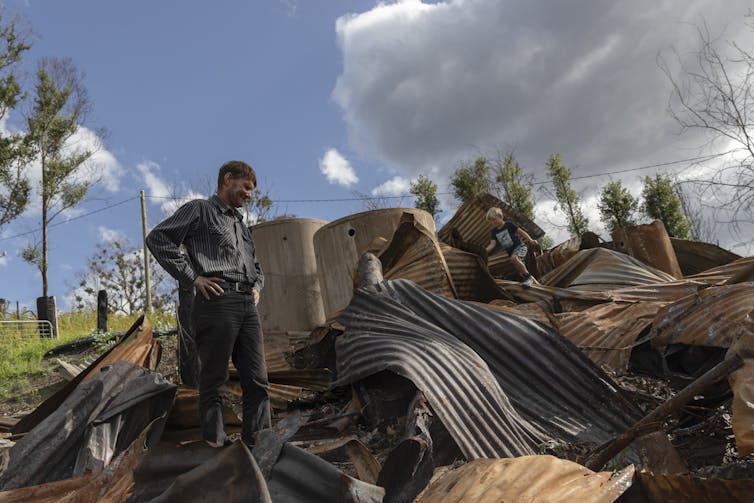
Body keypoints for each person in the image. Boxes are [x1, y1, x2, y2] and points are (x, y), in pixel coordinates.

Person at [146, 160, 270, 448]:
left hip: (246, 303)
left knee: (257, 378)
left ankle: (259, 443)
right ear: (228, 179)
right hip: (216, 299)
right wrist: (193, 278)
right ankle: (214, 444)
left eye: (252, 190)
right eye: (246, 187)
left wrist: (257, 286)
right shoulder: (200, 209)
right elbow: (158, 239)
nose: (249, 194)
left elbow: (256, 264)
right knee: (214, 378)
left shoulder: (240, 224)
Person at [485, 206, 539, 286]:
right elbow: (492, 244)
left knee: (514, 258)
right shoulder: (494, 232)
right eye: (491, 221)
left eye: (494, 220)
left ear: (500, 216)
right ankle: (538, 285)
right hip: (511, 252)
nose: (493, 223)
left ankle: (528, 279)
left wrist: (530, 240)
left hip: (520, 247)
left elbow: (521, 232)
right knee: (522, 272)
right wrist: (483, 251)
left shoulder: (509, 224)